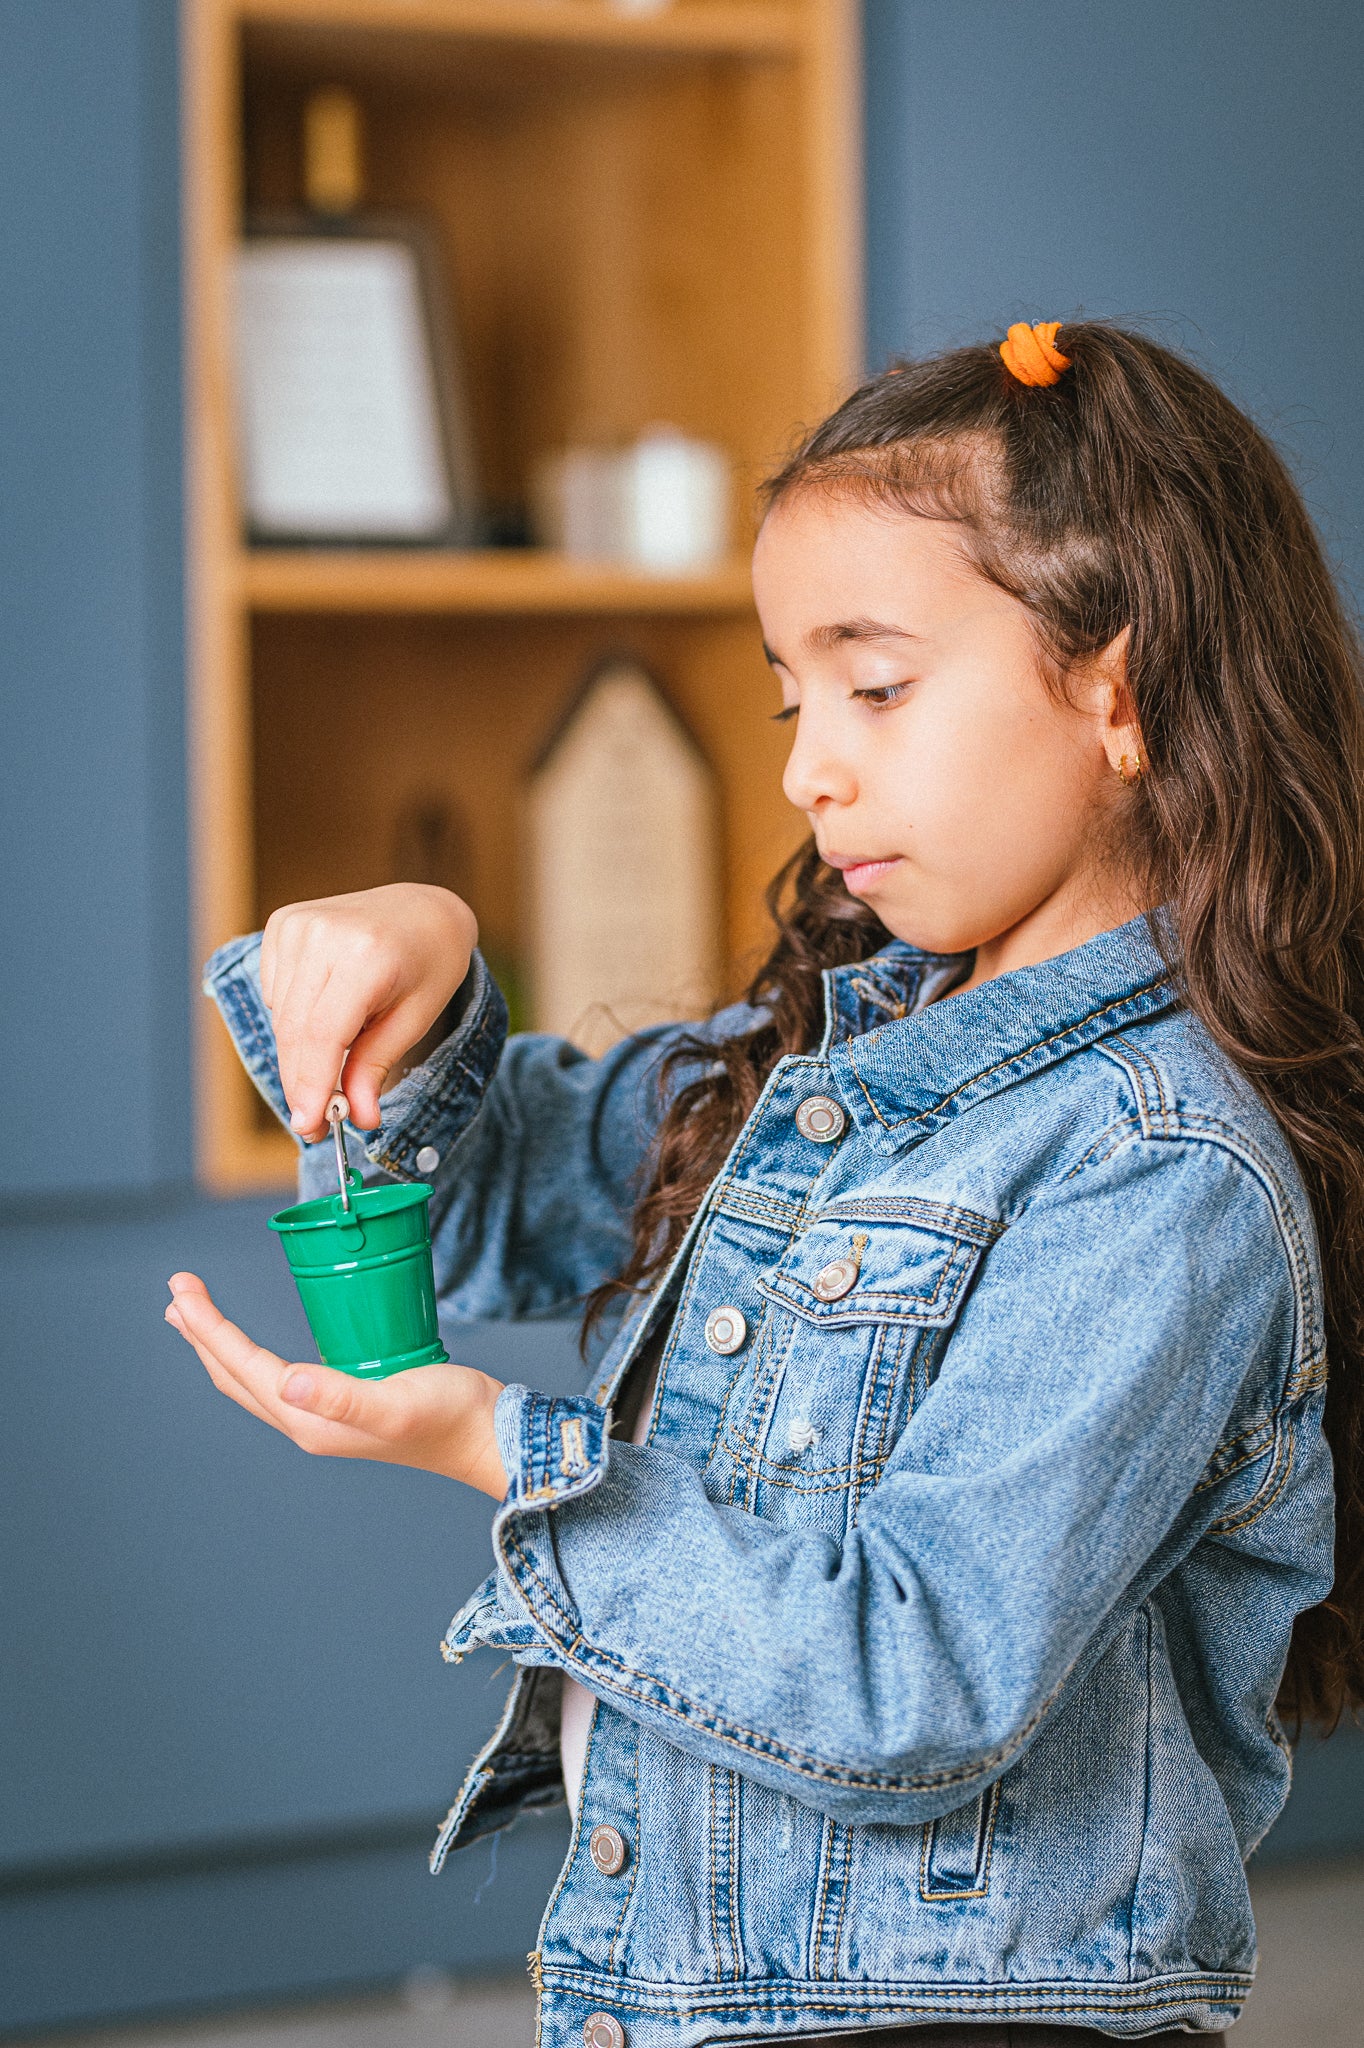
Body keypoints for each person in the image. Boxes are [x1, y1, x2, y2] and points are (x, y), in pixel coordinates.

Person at [169, 321, 1364, 2047]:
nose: (810, 764)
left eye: (875, 685)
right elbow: (497, 1191)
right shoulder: (816, 1066)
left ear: (1121, 683)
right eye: (791, 696)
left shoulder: (1158, 1170)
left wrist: (503, 1453)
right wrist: (425, 949)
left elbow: (917, 1671)